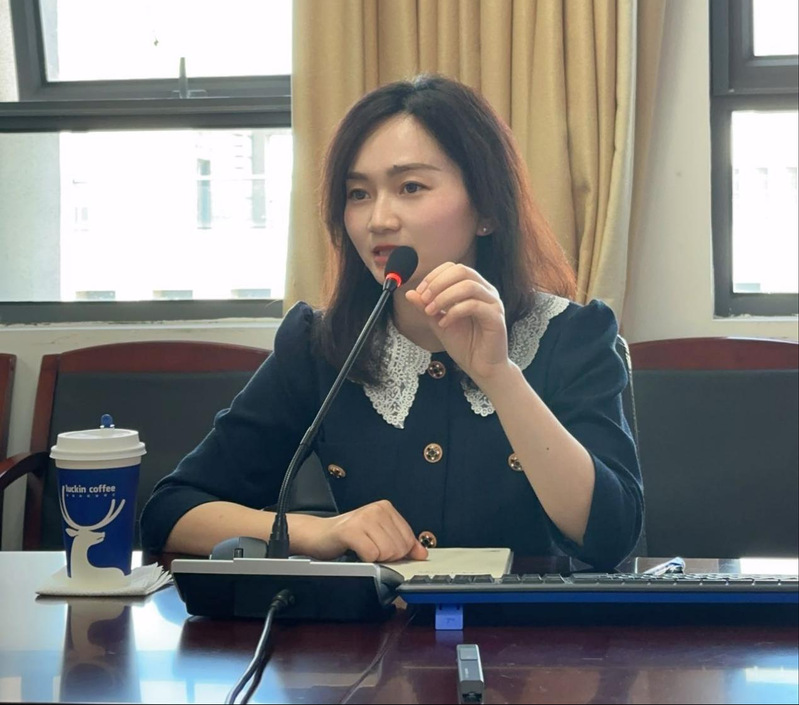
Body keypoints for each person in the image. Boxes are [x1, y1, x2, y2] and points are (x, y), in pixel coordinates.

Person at [140, 74, 642, 570]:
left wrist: (499, 376)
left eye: (410, 187)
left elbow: (611, 535)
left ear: (487, 208)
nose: (378, 219)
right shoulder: (321, 344)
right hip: (374, 622)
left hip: (526, 621)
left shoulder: (571, 335)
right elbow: (171, 511)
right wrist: (319, 532)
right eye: (358, 194)